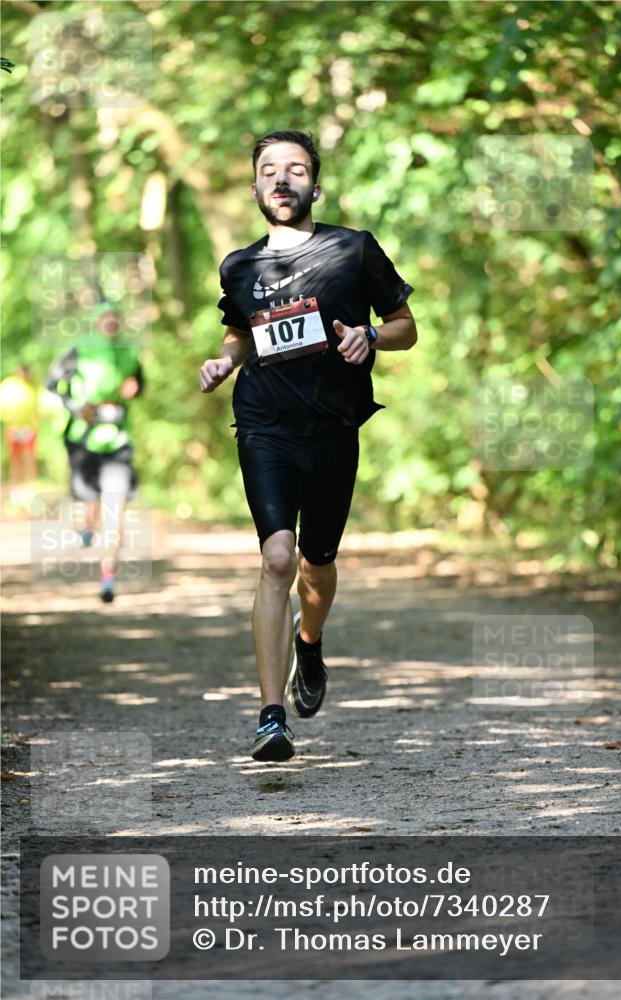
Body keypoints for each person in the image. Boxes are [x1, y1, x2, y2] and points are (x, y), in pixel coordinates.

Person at [200, 129, 417, 762]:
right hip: (264, 425)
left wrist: (372, 338)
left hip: (333, 429)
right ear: (255, 188)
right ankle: (271, 716)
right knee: (276, 559)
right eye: (269, 169)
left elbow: (407, 326)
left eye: (295, 169)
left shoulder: (353, 250)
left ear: (313, 186)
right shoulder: (240, 266)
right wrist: (223, 363)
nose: (282, 178)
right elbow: (241, 334)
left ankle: (310, 642)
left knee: (316, 562)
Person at [46, 302, 144, 604]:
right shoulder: (79, 349)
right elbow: (52, 384)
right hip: (84, 440)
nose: (111, 322)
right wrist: (78, 407)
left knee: (116, 509)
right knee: (88, 506)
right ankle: (86, 527)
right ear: (95, 322)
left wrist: (135, 388)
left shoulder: (129, 352)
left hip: (118, 440)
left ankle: (108, 579)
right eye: (105, 317)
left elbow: (140, 383)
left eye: (116, 317)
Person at [0, 366, 40, 493]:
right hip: (13, 426)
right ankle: (15, 485)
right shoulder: (9, 385)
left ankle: (30, 485)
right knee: (15, 457)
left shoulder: (32, 386)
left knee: (30, 456)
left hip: (29, 427)